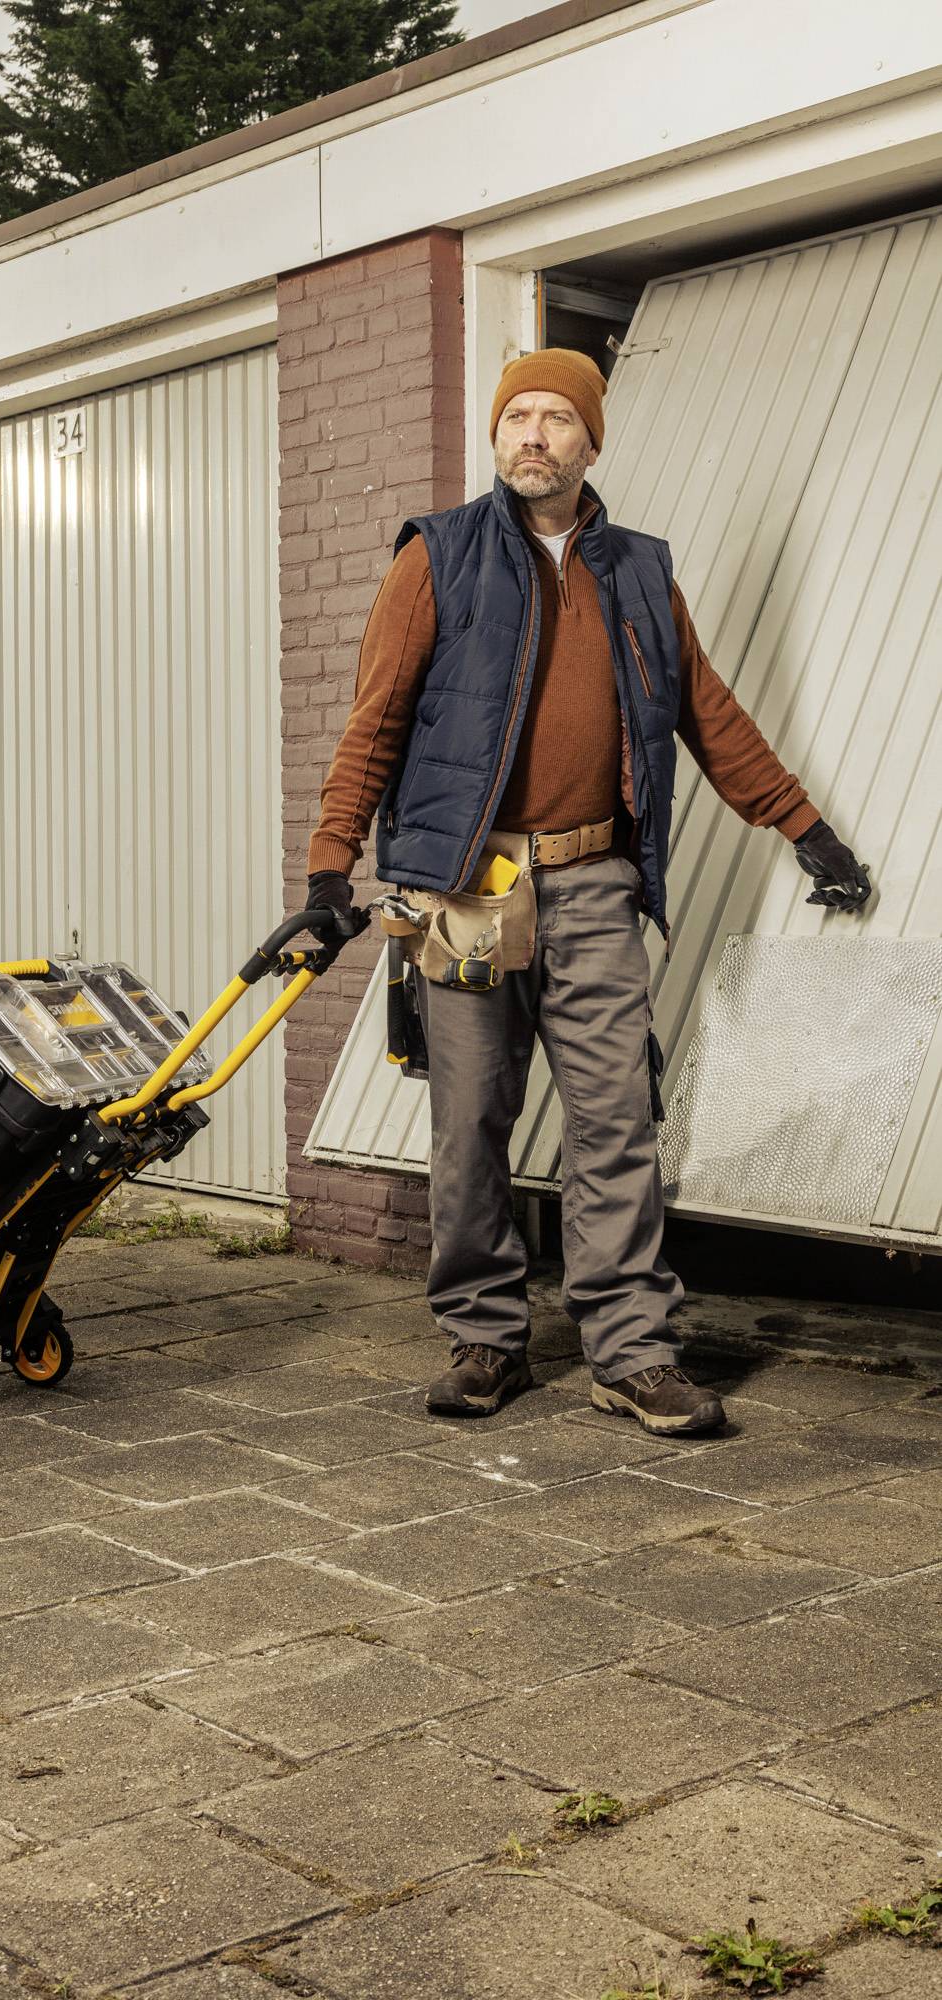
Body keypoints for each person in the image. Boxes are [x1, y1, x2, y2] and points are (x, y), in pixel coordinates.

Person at [306, 348, 871, 1436]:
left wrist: (802, 824)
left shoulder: (640, 573)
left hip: (596, 875)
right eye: (515, 415)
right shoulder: (437, 557)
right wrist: (333, 861)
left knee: (615, 1119)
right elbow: (374, 716)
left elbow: (711, 716)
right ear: (493, 435)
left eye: (555, 419)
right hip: (466, 888)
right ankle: (483, 1334)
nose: (531, 435)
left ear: (589, 441)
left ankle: (630, 1349)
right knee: (470, 1117)